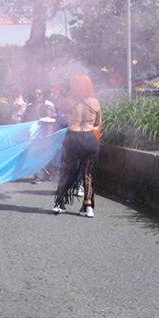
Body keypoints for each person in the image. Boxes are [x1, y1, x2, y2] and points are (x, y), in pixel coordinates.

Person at [53, 74, 101, 217]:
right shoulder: (95, 102)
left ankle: (59, 203)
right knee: (88, 173)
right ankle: (88, 206)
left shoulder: (68, 101)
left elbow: (57, 108)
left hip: (73, 137)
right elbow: (97, 123)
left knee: (66, 171)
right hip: (89, 139)